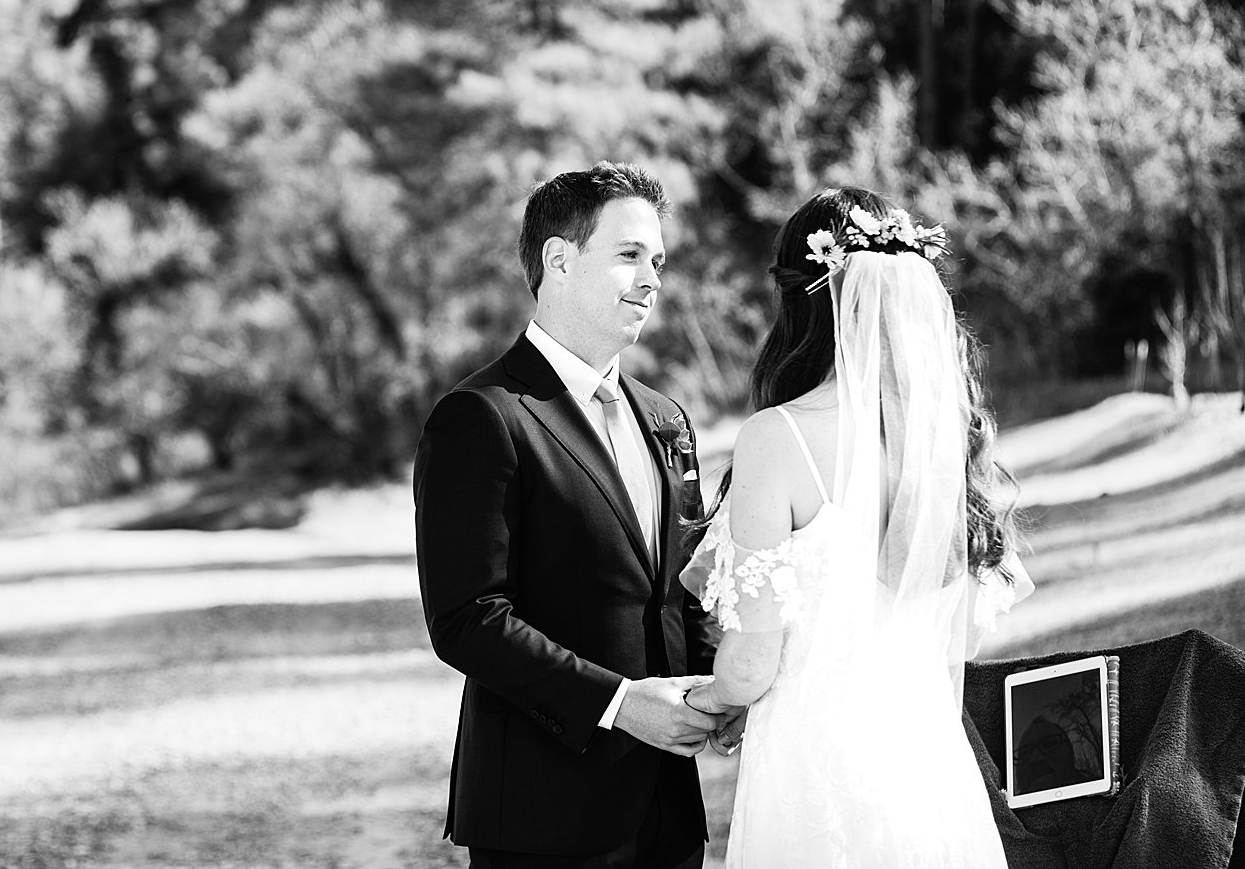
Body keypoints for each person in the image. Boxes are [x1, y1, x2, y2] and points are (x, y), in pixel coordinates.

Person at [679, 186, 1032, 868]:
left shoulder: (776, 438)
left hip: (812, 768)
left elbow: (753, 660)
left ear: (802, 301)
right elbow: (956, 638)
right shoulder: (943, 443)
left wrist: (710, 699)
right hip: (928, 763)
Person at [414, 161, 733, 869]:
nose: (652, 278)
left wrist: (724, 687)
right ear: (558, 259)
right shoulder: (481, 416)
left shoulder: (666, 420)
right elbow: (467, 618)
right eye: (628, 255)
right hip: (541, 816)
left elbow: (682, 590)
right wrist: (620, 702)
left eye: (658, 259)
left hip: (667, 813)